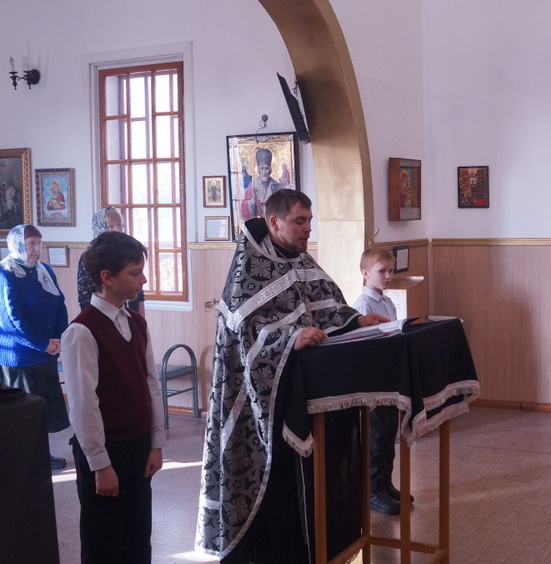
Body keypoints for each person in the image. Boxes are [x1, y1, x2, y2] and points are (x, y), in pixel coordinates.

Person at [197, 189, 388, 563]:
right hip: (261, 407)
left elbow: (326, 306)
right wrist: (288, 339)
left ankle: (312, 550)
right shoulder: (249, 268)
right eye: (300, 221)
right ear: (274, 222)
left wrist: (355, 320)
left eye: (309, 220)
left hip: (305, 389)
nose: (307, 228)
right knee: (276, 487)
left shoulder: (300, 258)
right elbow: (245, 335)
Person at [61, 231, 165, 564]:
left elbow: (151, 385)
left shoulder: (137, 323)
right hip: (105, 451)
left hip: (138, 446)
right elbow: (83, 404)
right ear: (107, 278)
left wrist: (156, 443)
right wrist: (100, 464)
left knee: (137, 537)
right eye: (135, 273)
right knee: (104, 542)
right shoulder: (82, 331)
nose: (143, 280)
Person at [0, 224, 70, 470]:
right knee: (23, 412)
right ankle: (24, 459)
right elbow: (11, 320)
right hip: (20, 356)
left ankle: (41, 454)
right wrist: (43, 344)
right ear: (18, 244)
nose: (37, 249)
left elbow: (60, 305)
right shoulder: (5, 273)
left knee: (42, 408)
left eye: (39, 243)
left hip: (46, 352)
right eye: (31, 244)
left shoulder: (45, 270)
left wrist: (58, 338)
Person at [350, 247, 412, 516]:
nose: (388, 276)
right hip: (373, 377)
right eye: (381, 271)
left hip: (388, 375)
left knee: (388, 433)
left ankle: (386, 483)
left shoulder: (387, 302)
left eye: (391, 270)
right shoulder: (362, 306)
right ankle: (372, 490)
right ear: (365, 273)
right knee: (375, 436)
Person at [78, 207, 145, 314]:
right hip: (103, 314)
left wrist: (141, 320)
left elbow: (139, 293)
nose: (117, 230)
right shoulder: (91, 256)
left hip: (131, 312)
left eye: (119, 225)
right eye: (111, 226)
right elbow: (85, 297)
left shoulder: (129, 251)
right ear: (100, 228)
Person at [239, 148, 282, 219]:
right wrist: (251, 201)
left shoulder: (276, 185)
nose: (264, 172)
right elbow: (244, 207)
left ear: (270, 169)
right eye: (262, 168)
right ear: (258, 170)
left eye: (266, 168)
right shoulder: (252, 186)